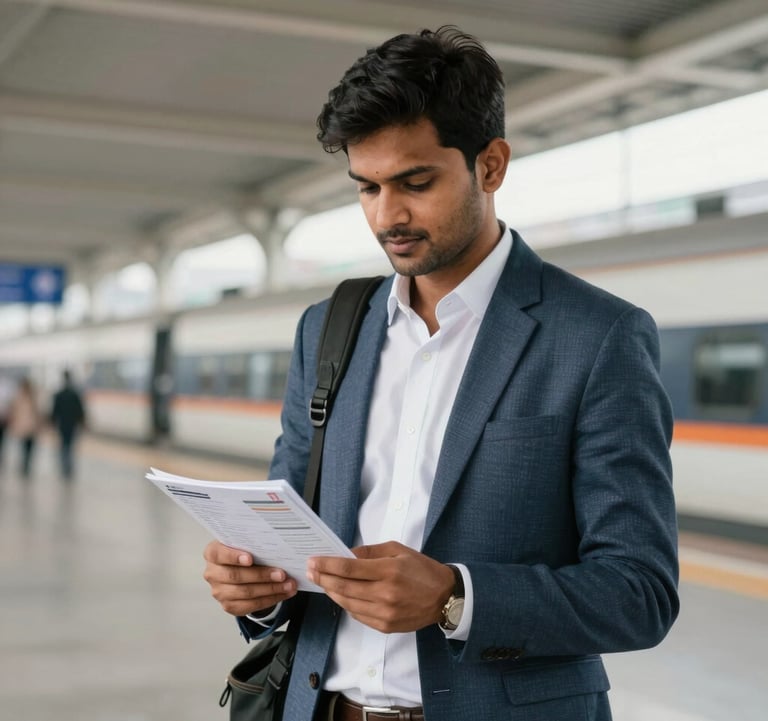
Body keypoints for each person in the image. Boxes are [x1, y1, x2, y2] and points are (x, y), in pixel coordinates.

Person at [203, 26, 679, 721]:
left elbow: (641, 593)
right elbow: (293, 526)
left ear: (490, 166)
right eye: (366, 187)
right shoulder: (329, 326)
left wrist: (457, 596)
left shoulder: (599, 335)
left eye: (415, 182)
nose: (386, 215)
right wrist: (259, 584)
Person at [50, 369, 87, 479]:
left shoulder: (59, 394)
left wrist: (52, 423)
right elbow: (80, 410)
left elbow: (54, 411)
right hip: (72, 424)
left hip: (62, 424)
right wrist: (82, 421)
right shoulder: (75, 394)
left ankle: (65, 466)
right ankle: (68, 467)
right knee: (69, 445)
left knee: (64, 446)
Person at [8, 377, 42, 478]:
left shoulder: (20, 396)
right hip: (29, 426)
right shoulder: (31, 396)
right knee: (28, 448)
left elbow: (13, 411)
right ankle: (26, 464)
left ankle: (25, 464)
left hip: (25, 426)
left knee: (25, 448)